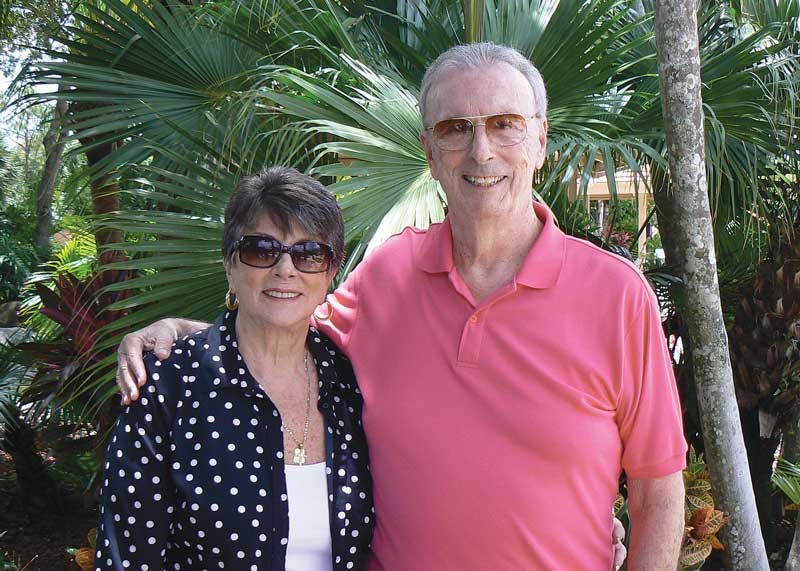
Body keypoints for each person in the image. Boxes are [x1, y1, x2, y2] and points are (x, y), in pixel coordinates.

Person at [117, 43, 686, 570]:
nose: (481, 150)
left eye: (504, 125)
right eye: (455, 128)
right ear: (431, 152)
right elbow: (283, 324)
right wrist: (182, 333)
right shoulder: (387, 277)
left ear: (539, 140)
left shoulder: (616, 296)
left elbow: (658, 489)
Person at [95, 167, 373, 570]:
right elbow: (127, 555)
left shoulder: (348, 382)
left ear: (330, 273)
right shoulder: (170, 385)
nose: (285, 269)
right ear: (230, 264)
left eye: (309, 254)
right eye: (262, 249)